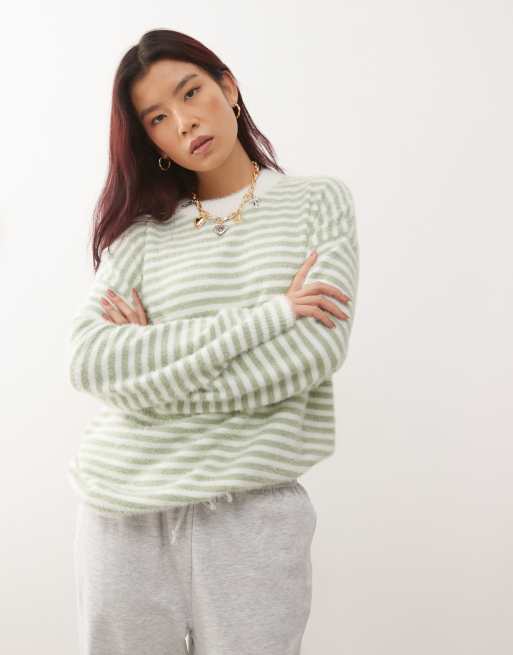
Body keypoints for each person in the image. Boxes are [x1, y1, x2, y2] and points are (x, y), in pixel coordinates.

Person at [68, 28, 359, 655]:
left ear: (227, 86)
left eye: (191, 92)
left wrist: (152, 373)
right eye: (157, 118)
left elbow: (311, 353)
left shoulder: (316, 204)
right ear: (149, 139)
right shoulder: (139, 237)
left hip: (251, 512)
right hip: (123, 512)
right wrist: (272, 314)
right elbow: (91, 362)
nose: (184, 122)